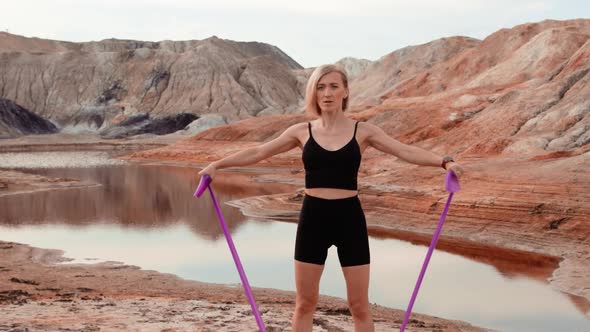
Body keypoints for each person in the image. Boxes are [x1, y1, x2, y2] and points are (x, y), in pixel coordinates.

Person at [198, 64, 465, 332]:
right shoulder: (301, 131)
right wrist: (217, 165)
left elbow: (404, 151)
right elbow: (258, 152)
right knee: (305, 303)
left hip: (350, 219)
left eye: (334, 86)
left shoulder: (363, 132)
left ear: (345, 91)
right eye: (320, 87)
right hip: (313, 218)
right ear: (313, 93)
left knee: (359, 305)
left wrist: (444, 162)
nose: (327, 93)